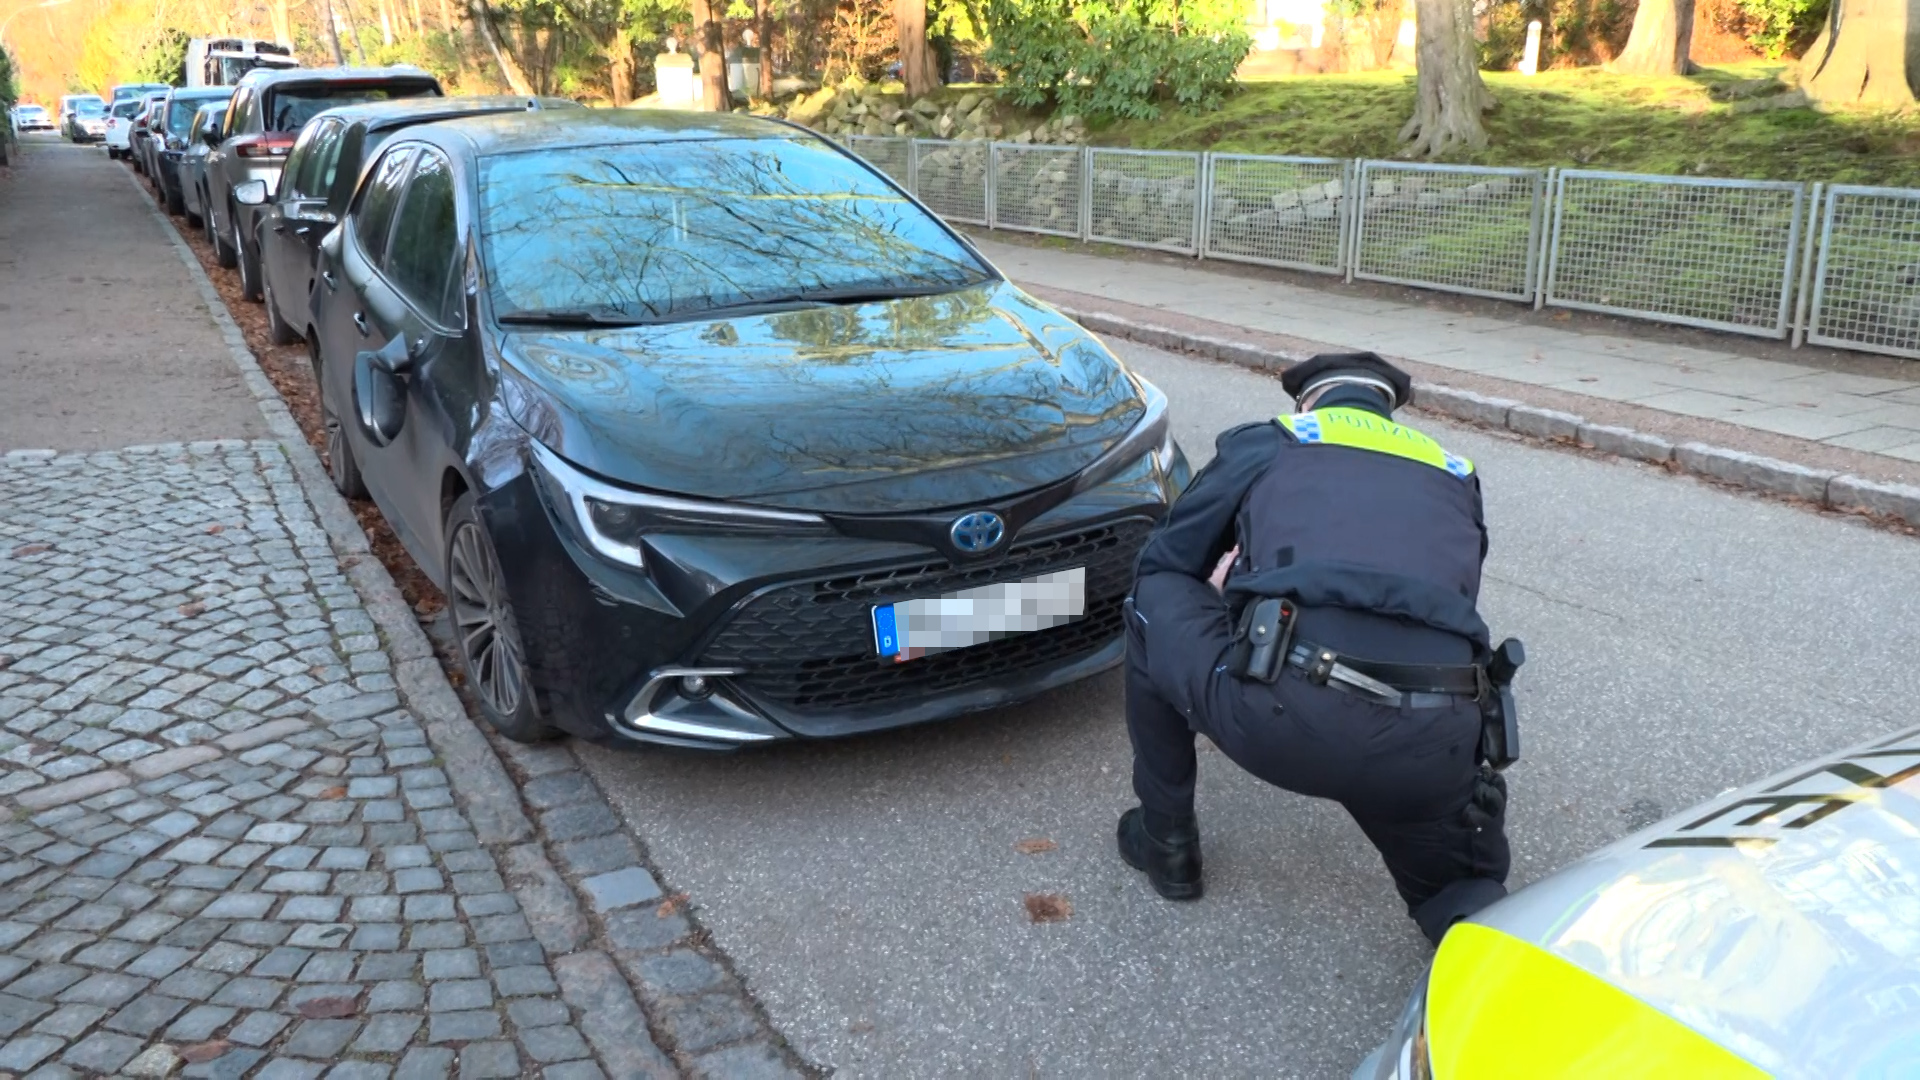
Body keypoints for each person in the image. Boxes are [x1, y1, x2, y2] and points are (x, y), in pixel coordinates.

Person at [1116, 352, 1519, 944]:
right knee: (1469, 912)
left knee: (1152, 597)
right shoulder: (1454, 471)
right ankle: (1497, 986)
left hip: (1289, 714)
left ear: (1308, 401)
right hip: (1437, 740)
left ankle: (1166, 839)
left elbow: (1170, 559)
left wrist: (1230, 589)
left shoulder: (1273, 443)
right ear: (1390, 410)